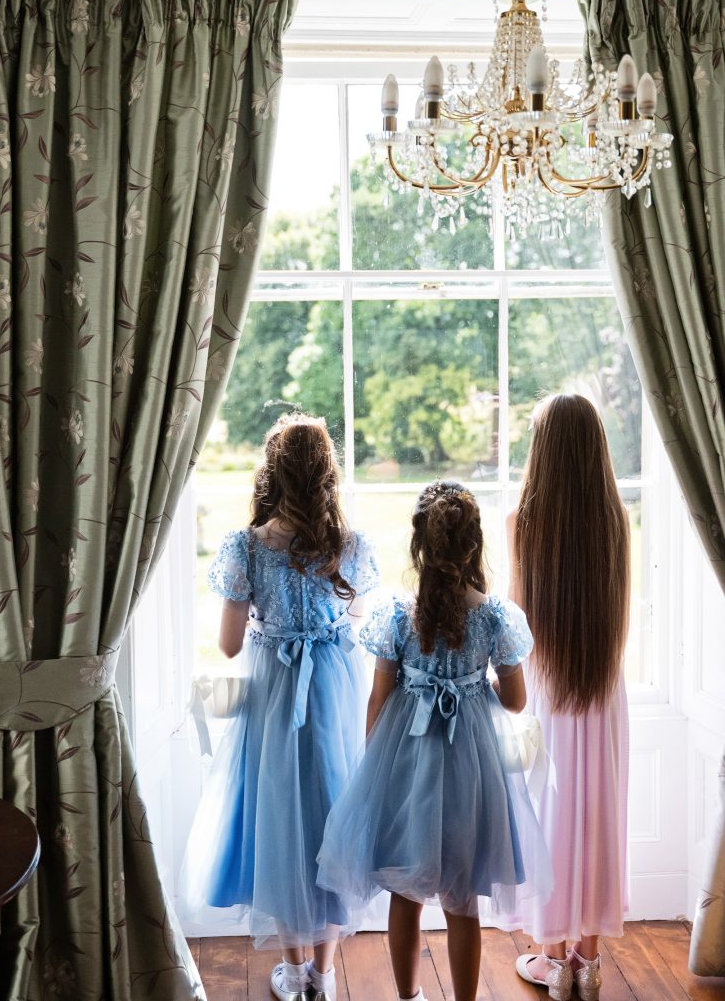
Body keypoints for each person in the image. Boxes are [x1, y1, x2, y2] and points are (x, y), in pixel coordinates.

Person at [317, 481, 551, 1001]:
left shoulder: (398, 614)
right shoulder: (493, 617)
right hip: (471, 765)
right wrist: (473, 686)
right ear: (474, 545)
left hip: (407, 761)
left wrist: (373, 766)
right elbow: (515, 700)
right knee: (462, 898)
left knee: (405, 890)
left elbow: (378, 700)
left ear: (420, 546)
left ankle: (409, 997)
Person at [182, 413, 379, 1001]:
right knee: (333, 813)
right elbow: (360, 623)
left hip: (274, 692)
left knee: (277, 816)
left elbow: (228, 643)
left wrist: (270, 620)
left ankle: (293, 971)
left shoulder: (248, 546)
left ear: (273, 474)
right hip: (333, 688)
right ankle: (326, 969)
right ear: (327, 476)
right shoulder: (349, 545)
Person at [507, 394, 630, 1001]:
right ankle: (589, 961)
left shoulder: (522, 523)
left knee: (548, 814)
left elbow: (517, 621)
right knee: (597, 813)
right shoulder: (616, 519)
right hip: (602, 686)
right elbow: (619, 620)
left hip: (549, 685)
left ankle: (553, 960)